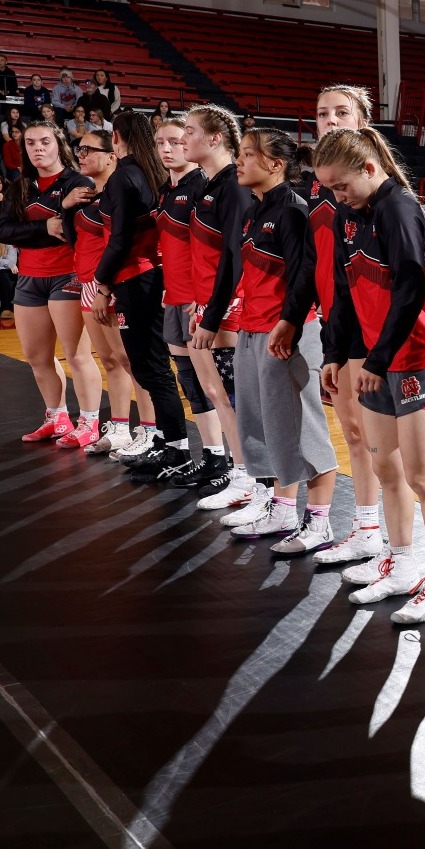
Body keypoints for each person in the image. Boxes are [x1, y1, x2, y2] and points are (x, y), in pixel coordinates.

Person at [315, 127, 425, 625]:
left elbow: (409, 294)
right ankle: (400, 563)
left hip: (418, 355)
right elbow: (342, 288)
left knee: (422, 475)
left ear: (370, 169)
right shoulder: (348, 215)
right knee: (386, 469)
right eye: (329, 189)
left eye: (341, 186)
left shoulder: (398, 208)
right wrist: (336, 352)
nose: (336, 197)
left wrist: (375, 362)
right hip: (381, 358)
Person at [194, 128, 337, 551]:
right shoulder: (255, 211)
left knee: (305, 429)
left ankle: (321, 522)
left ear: (276, 164)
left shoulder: (293, 210)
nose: (239, 161)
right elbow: (232, 272)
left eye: (249, 154)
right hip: (253, 331)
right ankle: (281, 508)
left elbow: (304, 276)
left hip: (285, 334)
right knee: (264, 427)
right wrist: (214, 318)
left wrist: (290, 324)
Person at [305, 84, 400, 568]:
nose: (332, 120)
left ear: (363, 120)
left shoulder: (378, 194)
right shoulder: (322, 193)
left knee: (378, 439)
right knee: (353, 432)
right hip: (336, 324)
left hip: (377, 329)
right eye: (323, 114)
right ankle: (367, 529)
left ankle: (396, 542)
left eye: (343, 112)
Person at [0, 119, 104, 444]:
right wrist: (45, 228)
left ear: (58, 144)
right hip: (29, 278)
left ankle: (89, 423)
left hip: (68, 275)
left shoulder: (78, 181)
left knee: (76, 355)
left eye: (44, 141)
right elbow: (4, 232)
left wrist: (42, 226)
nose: (38, 148)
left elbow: (73, 231)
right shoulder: (20, 186)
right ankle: (56, 416)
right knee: (37, 358)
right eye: (31, 143)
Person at [179, 106, 256, 506]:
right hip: (209, 302)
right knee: (215, 391)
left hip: (230, 305)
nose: (183, 139)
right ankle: (240, 473)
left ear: (215, 139)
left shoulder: (233, 186)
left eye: (190, 131)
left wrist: (214, 309)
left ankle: (251, 480)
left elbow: (234, 256)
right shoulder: (209, 184)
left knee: (231, 395)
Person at [60, 128, 151, 453]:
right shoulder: (87, 194)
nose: (80, 155)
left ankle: (149, 431)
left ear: (113, 154)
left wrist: (106, 286)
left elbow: (122, 243)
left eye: (88, 149)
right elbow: (73, 240)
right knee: (111, 362)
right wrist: (66, 207)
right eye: (79, 149)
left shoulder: (119, 194)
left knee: (132, 361)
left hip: (110, 284)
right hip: (87, 282)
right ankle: (122, 428)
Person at [151, 115, 229, 489]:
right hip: (174, 296)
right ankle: (212, 455)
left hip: (198, 298)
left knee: (215, 386)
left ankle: (227, 462)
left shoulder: (202, 186)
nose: (169, 148)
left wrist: (202, 298)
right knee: (191, 383)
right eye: (161, 142)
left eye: (177, 140)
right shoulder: (167, 190)